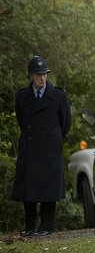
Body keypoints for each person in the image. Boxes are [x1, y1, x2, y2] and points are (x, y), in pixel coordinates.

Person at [11, 56, 71, 237]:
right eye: (38, 75)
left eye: (44, 74)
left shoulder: (59, 96)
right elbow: (21, 120)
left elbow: (65, 123)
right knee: (27, 189)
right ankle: (29, 225)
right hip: (29, 147)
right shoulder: (22, 96)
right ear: (30, 76)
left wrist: (53, 140)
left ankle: (46, 225)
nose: (42, 78)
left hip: (50, 148)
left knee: (48, 188)